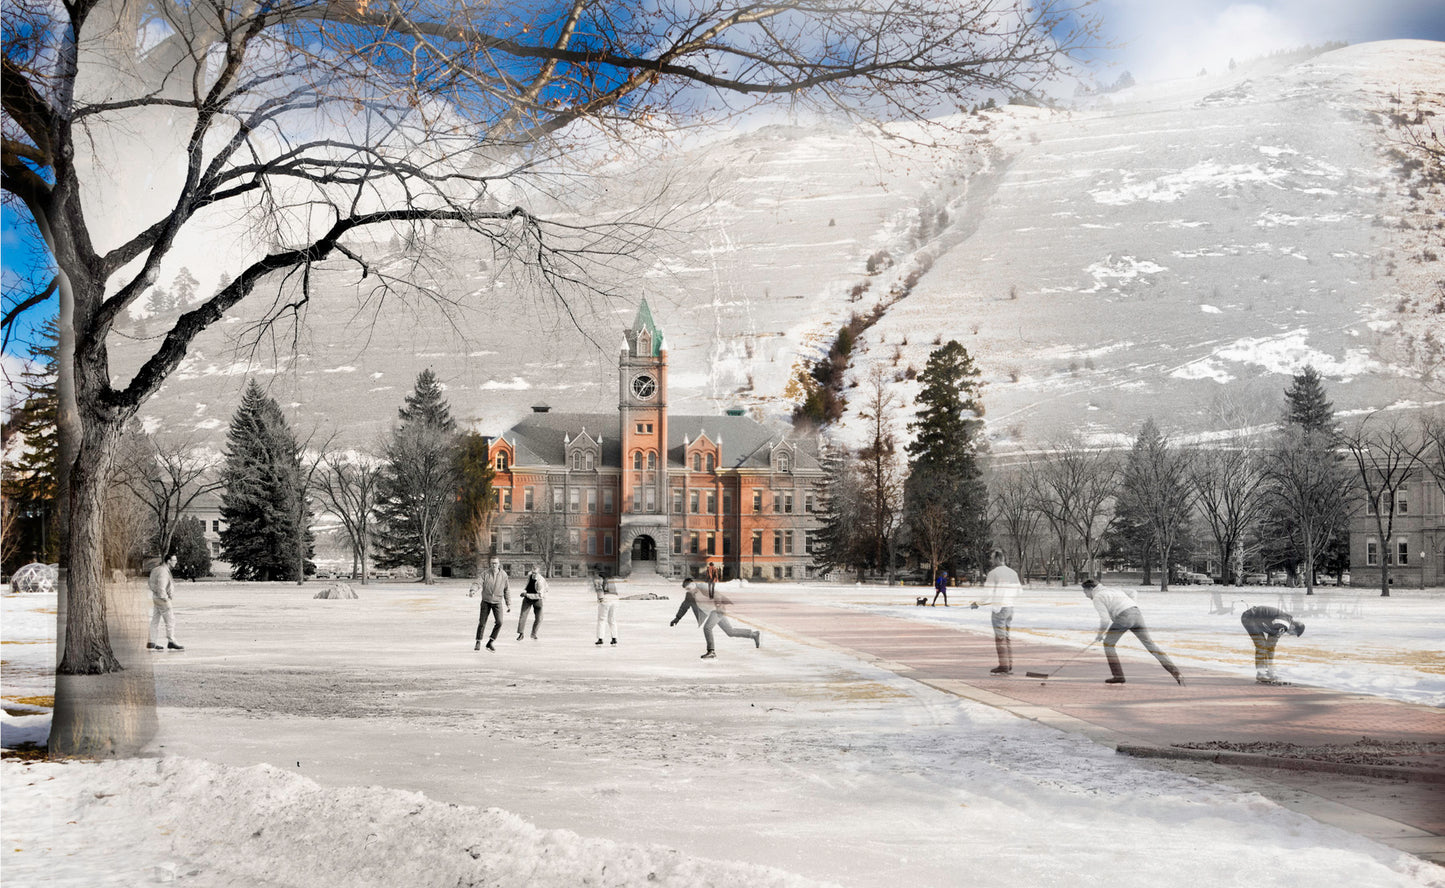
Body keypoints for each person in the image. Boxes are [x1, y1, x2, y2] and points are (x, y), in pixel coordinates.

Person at [1082, 579, 1183, 685]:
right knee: (1150, 645)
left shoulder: (1098, 597)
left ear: (1090, 589)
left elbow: (1105, 619)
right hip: (1136, 613)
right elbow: (1133, 592)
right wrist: (1132, 604)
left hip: (1123, 617)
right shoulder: (1113, 589)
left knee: (1108, 644)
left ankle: (1118, 676)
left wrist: (1100, 634)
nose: (1086, 595)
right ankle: (1175, 672)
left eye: (1085, 592)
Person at [670, 577, 759, 658]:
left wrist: (719, 607)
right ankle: (753, 634)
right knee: (730, 632)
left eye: (689, 588)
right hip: (712, 611)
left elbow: (717, 595)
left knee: (707, 628)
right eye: (687, 590)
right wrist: (677, 618)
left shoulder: (703, 587)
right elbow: (684, 606)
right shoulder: (690, 595)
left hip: (717, 609)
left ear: (693, 584)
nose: (689, 591)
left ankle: (711, 651)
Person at [971, 550, 1020, 675]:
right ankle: (1009, 664)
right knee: (1006, 637)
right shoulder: (1013, 572)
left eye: (992, 559)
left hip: (999, 609)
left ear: (997, 559)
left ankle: (1003, 666)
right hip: (1010, 608)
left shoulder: (993, 573)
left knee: (1000, 638)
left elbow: (987, 593)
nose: (991, 561)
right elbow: (1019, 591)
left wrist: (978, 603)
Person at [1240, 605, 1305, 684]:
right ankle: (1261, 673)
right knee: (1261, 645)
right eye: (1293, 633)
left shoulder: (1283, 622)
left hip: (1255, 619)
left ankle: (1264, 672)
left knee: (1263, 645)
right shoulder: (1283, 624)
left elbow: (1270, 646)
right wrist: (1271, 669)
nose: (1290, 634)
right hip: (1249, 617)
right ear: (1293, 626)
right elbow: (1270, 646)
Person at [147, 553, 184, 651]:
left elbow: (150, 583)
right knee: (170, 620)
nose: (175, 562)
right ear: (168, 561)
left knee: (155, 620)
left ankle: (152, 642)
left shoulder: (156, 569)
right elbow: (161, 587)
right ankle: (171, 641)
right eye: (174, 560)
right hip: (162, 599)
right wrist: (165, 598)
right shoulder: (163, 571)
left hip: (155, 598)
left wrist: (157, 593)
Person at [474, 556, 510, 651]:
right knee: (482, 622)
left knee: (499, 622)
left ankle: (490, 642)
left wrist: (508, 603)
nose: (494, 565)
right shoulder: (485, 574)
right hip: (486, 601)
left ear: (499, 564)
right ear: (490, 564)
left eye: (495, 563)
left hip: (497, 602)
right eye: (492, 563)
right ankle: (478, 641)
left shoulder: (504, 575)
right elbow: (478, 583)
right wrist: (473, 590)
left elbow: (506, 590)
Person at [517, 565, 546, 640]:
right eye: (533, 572)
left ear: (538, 572)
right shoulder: (529, 575)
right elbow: (527, 586)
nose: (533, 574)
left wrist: (526, 594)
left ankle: (533, 634)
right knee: (523, 615)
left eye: (535, 573)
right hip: (527, 599)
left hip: (537, 600)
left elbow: (539, 595)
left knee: (539, 618)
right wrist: (524, 591)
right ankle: (521, 633)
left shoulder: (540, 581)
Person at [595, 570, 619, 646]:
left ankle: (600, 639)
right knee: (612, 620)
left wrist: (599, 600)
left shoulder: (600, 580)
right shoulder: (612, 581)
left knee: (602, 619)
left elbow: (599, 590)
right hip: (615, 599)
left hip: (606, 598)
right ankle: (614, 638)